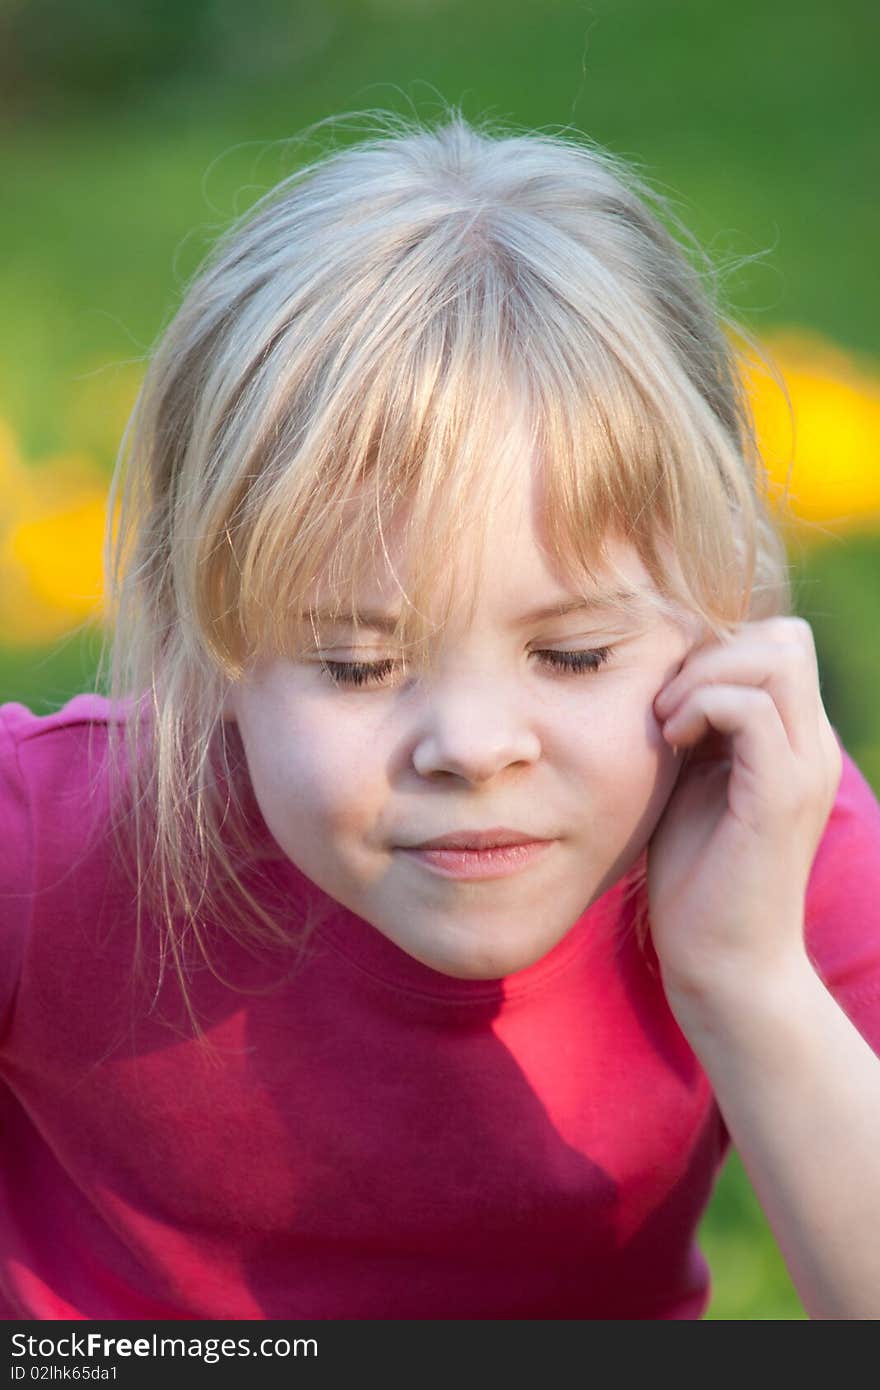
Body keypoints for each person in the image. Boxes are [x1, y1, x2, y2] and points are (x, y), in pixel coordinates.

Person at [2, 110, 879, 1323]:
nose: (471, 745)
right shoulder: (44, 841)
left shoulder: (765, 836)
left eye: (572, 653)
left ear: (712, 611)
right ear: (212, 630)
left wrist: (747, 979)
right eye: (357, 665)